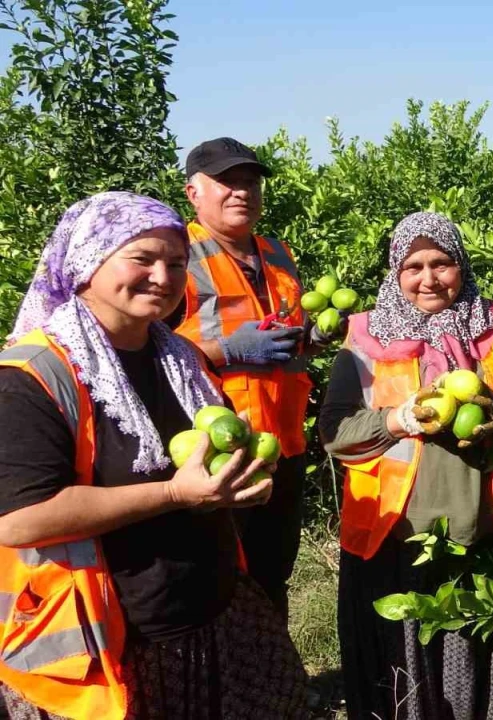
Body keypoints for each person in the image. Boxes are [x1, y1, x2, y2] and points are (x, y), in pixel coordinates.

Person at [0, 192, 308, 719]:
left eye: (175, 262)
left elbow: (206, 462)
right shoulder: (32, 375)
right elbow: (20, 520)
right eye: (142, 259)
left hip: (211, 610)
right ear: (88, 262)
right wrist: (173, 494)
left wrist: (240, 477)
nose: (163, 277)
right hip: (109, 638)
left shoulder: (178, 357)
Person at [319, 212, 493, 719]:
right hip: (394, 539)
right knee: (403, 683)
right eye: (413, 266)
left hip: (487, 533)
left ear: (462, 265)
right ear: (395, 271)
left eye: (442, 263)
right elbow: (335, 433)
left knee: (482, 678)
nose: (428, 279)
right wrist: (398, 419)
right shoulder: (364, 336)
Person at [170, 136, 338, 618]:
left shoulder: (277, 253)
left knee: (273, 569)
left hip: (280, 443)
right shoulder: (176, 257)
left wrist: (314, 337)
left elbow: (281, 333)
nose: (241, 191)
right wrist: (227, 350)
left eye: (250, 182)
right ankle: (226, 690)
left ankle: (277, 684)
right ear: (193, 192)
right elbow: (145, 353)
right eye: (226, 182)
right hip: (217, 448)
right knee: (222, 573)